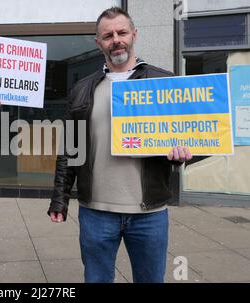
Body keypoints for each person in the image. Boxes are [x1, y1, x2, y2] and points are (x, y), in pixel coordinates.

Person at [47, 7, 192, 283]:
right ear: (98, 43)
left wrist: (182, 155)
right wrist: (60, 198)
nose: (116, 40)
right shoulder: (82, 89)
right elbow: (70, 147)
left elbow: (191, 138)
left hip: (149, 214)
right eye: (108, 35)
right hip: (96, 212)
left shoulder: (164, 82)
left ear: (134, 34)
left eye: (122, 32)